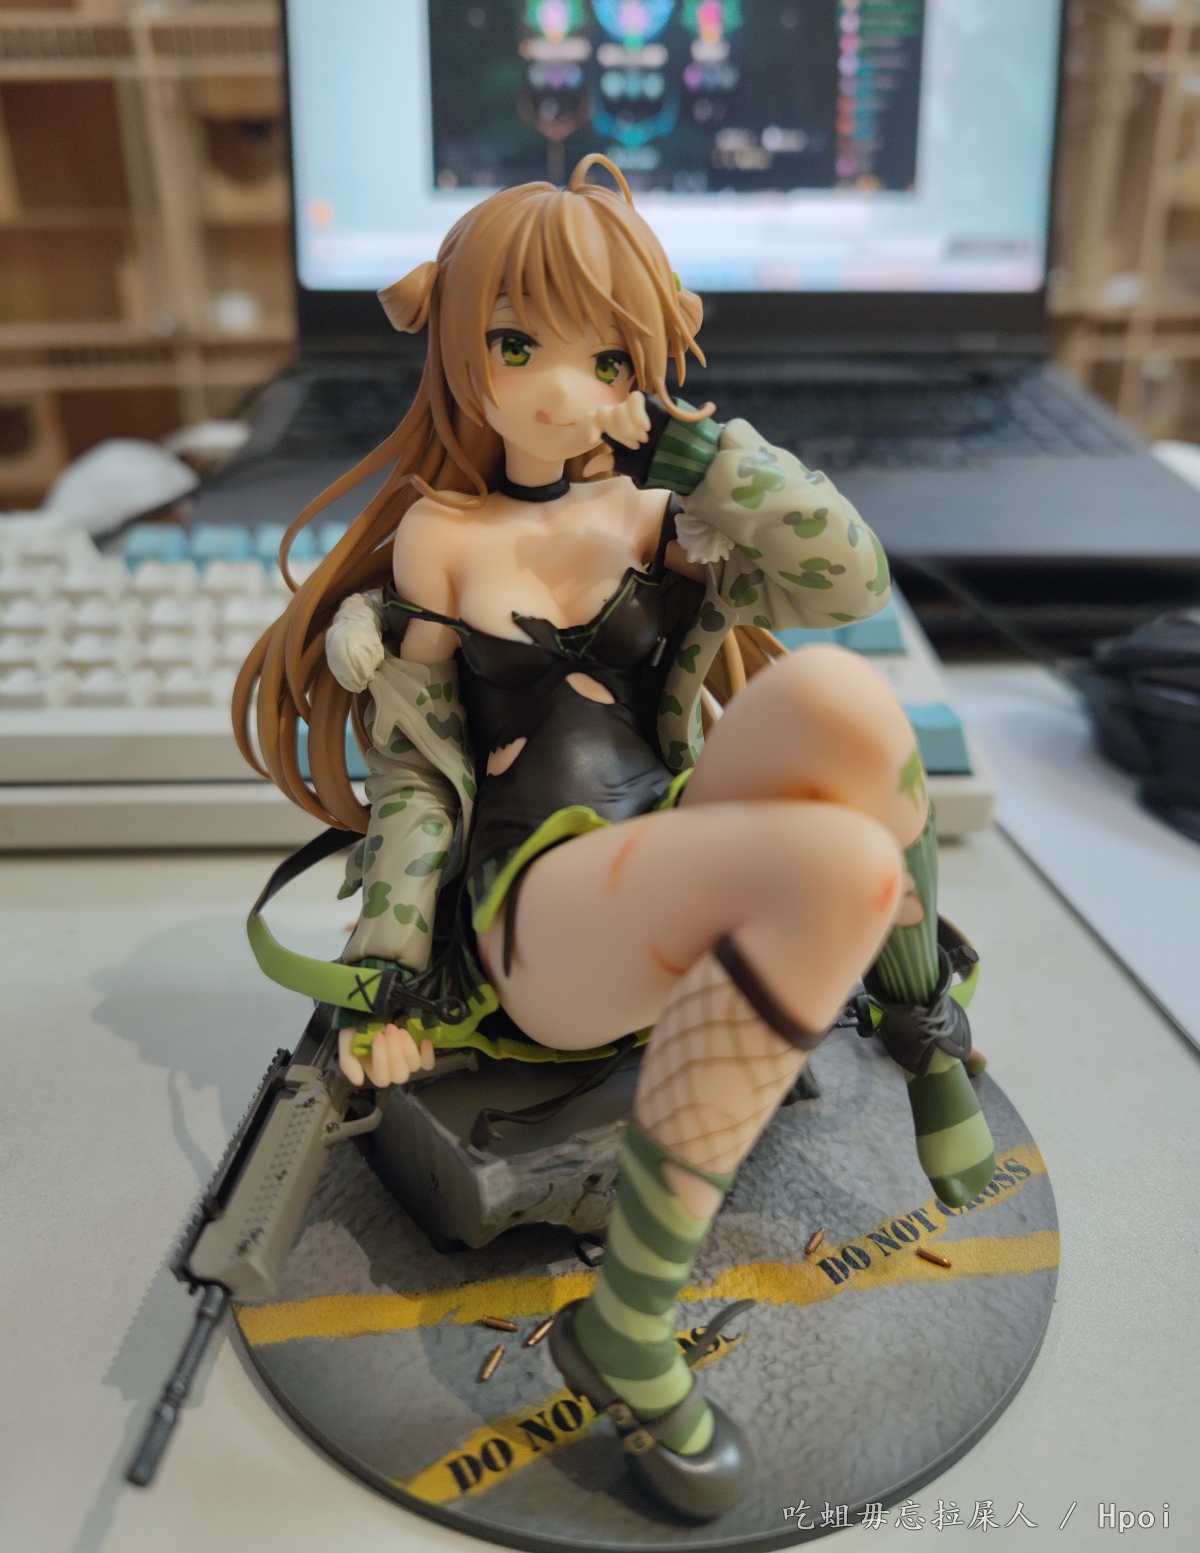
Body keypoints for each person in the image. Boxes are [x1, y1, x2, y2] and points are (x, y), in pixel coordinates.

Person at [233, 153, 994, 1522]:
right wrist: (387, 976)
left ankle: (925, 1033)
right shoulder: (441, 541)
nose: (554, 389)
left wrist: (710, 457)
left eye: (604, 356)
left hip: (669, 835)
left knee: (842, 698)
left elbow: (850, 581)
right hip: (542, 916)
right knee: (838, 866)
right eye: (515, 345)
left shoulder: (660, 516)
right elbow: (416, 780)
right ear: (457, 343)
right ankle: (627, 1329)